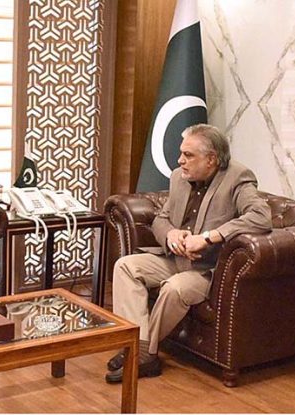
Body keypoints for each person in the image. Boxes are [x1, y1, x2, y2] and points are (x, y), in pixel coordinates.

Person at [105, 124, 272, 383]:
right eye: (181, 154)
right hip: (174, 258)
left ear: (212, 159)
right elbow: (161, 218)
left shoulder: (238, 178)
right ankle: (135, 346)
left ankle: (144, 354)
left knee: (174, 288)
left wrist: (208, 238)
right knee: (125, 266)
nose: (180, 160)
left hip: (206, 269)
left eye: (189, 155)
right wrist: (171, 234)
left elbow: (261, 217)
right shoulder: (178, 177)